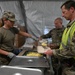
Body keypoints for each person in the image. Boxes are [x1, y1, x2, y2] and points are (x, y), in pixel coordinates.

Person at [44, 0, 75, 75]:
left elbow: (73, 50)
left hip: (72, 66)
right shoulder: (70, 26)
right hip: (65, 64)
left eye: (64, 12)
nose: (62, 15)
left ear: (72, 9)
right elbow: (64, 44)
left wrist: (53, 52)